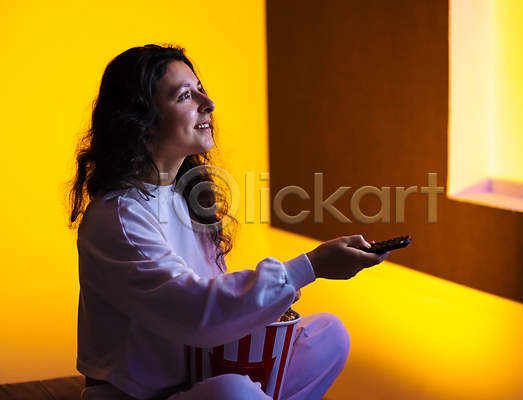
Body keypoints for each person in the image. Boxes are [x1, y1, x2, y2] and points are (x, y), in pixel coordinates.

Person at [69, 44, 388, 400]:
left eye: (200, 90)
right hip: (139, 397)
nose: (208, 103)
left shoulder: (185, 197)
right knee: (233, 391)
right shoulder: (118, 217)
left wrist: (268, 304)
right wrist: (308, 267)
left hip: (199, 381)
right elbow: (194, 311)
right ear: (140, 119)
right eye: (185, 95)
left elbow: (213, 304)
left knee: (330, 334)